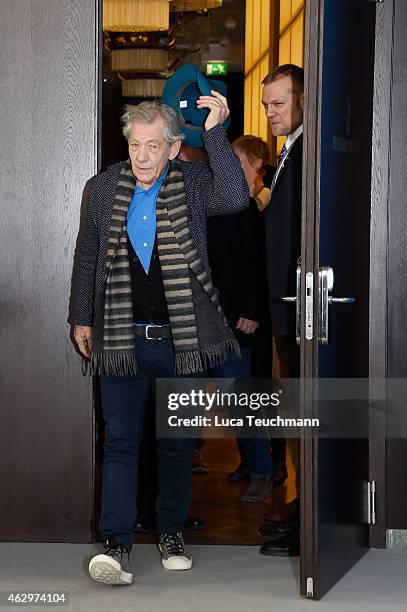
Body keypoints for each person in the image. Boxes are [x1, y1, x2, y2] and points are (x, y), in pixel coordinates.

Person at [69, 93, 249, 585]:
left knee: (174, 444)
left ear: (173, 147)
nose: (142, 155)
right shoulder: (104, 187)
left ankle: (171, 533)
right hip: (122, 339)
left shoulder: (192, 182)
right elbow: (88, 254)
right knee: (121, 444)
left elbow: (236, 196)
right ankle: (116, 546)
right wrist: (81, 317)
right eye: (134, 144)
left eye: (153, 145)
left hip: (182, 342)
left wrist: (215, 132)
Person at [207, 135, 274, 503]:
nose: (228, 163)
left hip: (237, 320)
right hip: (208, 318)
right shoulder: (215, 202)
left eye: (236, 158)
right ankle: (251, 465)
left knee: (241, 398)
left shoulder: (248, 208)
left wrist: (250, 310)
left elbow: (256, 264)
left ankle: (261, 470)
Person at [259, 64, 304, 557]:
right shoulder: (288, 151)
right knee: (292, 413)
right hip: (282, 307)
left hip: (302, 308)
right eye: (267, 104)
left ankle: (309, 520)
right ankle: (299, 505)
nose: (270, 113)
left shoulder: (307, 152)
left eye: (279, 104)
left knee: (304, 413)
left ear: (303, 101)